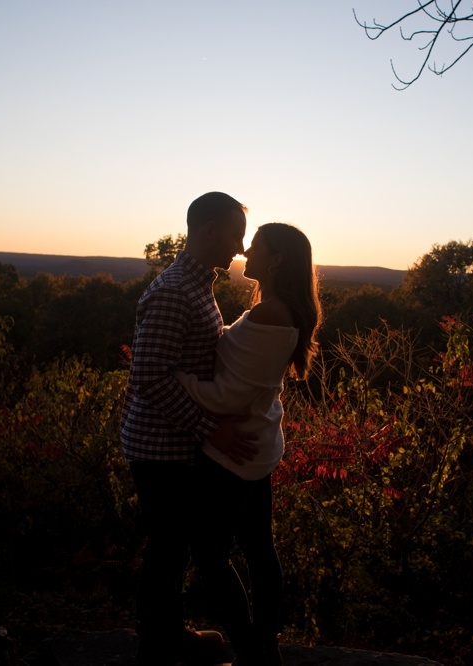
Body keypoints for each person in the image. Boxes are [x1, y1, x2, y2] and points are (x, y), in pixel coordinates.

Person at [120, 191, 259, 666]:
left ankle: (166, 637)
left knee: (172, 546)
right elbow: (148, 378)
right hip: (159, 447)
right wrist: (210, 429)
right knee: (167, 548)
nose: (240, 249)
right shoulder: (175, 290)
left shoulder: (197, 286)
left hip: (175, 444)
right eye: (236, 236)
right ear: (209, 231)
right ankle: (159, 645)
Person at [175, 222, 322, 666]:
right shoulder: (272, 308)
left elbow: (231, 395)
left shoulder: (272, 313)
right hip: (257, 442)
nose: (243, 253)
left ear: (276, 259)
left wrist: (180, 379)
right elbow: (249, 383)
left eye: (254, 246)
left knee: (210, 553)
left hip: (234, 452)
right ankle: (266, 645)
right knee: (259, 547)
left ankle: (250, 649)